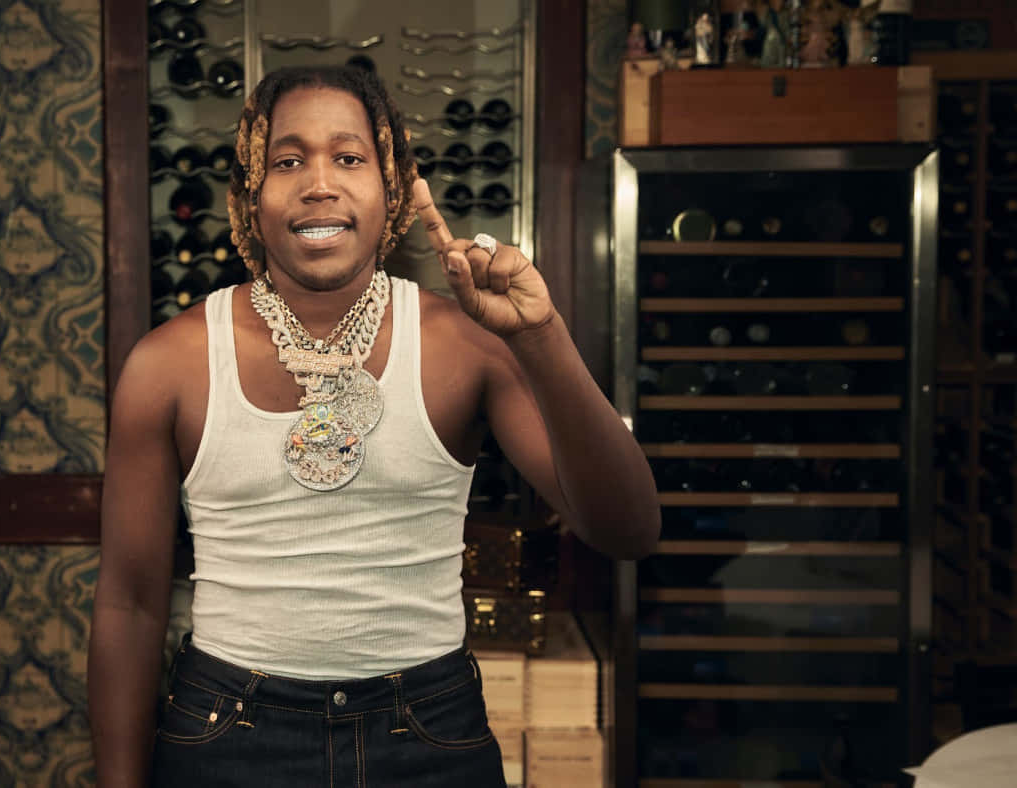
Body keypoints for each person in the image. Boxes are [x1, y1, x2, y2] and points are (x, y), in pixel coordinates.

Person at [88, 65, 660, 788]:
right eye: (287, 160)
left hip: (428, 731)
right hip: (228, 736)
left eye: (349, 157)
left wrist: (540, 334)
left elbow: (630, 530)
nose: (319, 182)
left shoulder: (467, 341)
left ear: (392, 190)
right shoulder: (167, 366)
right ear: (249, 198)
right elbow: (130, 602)